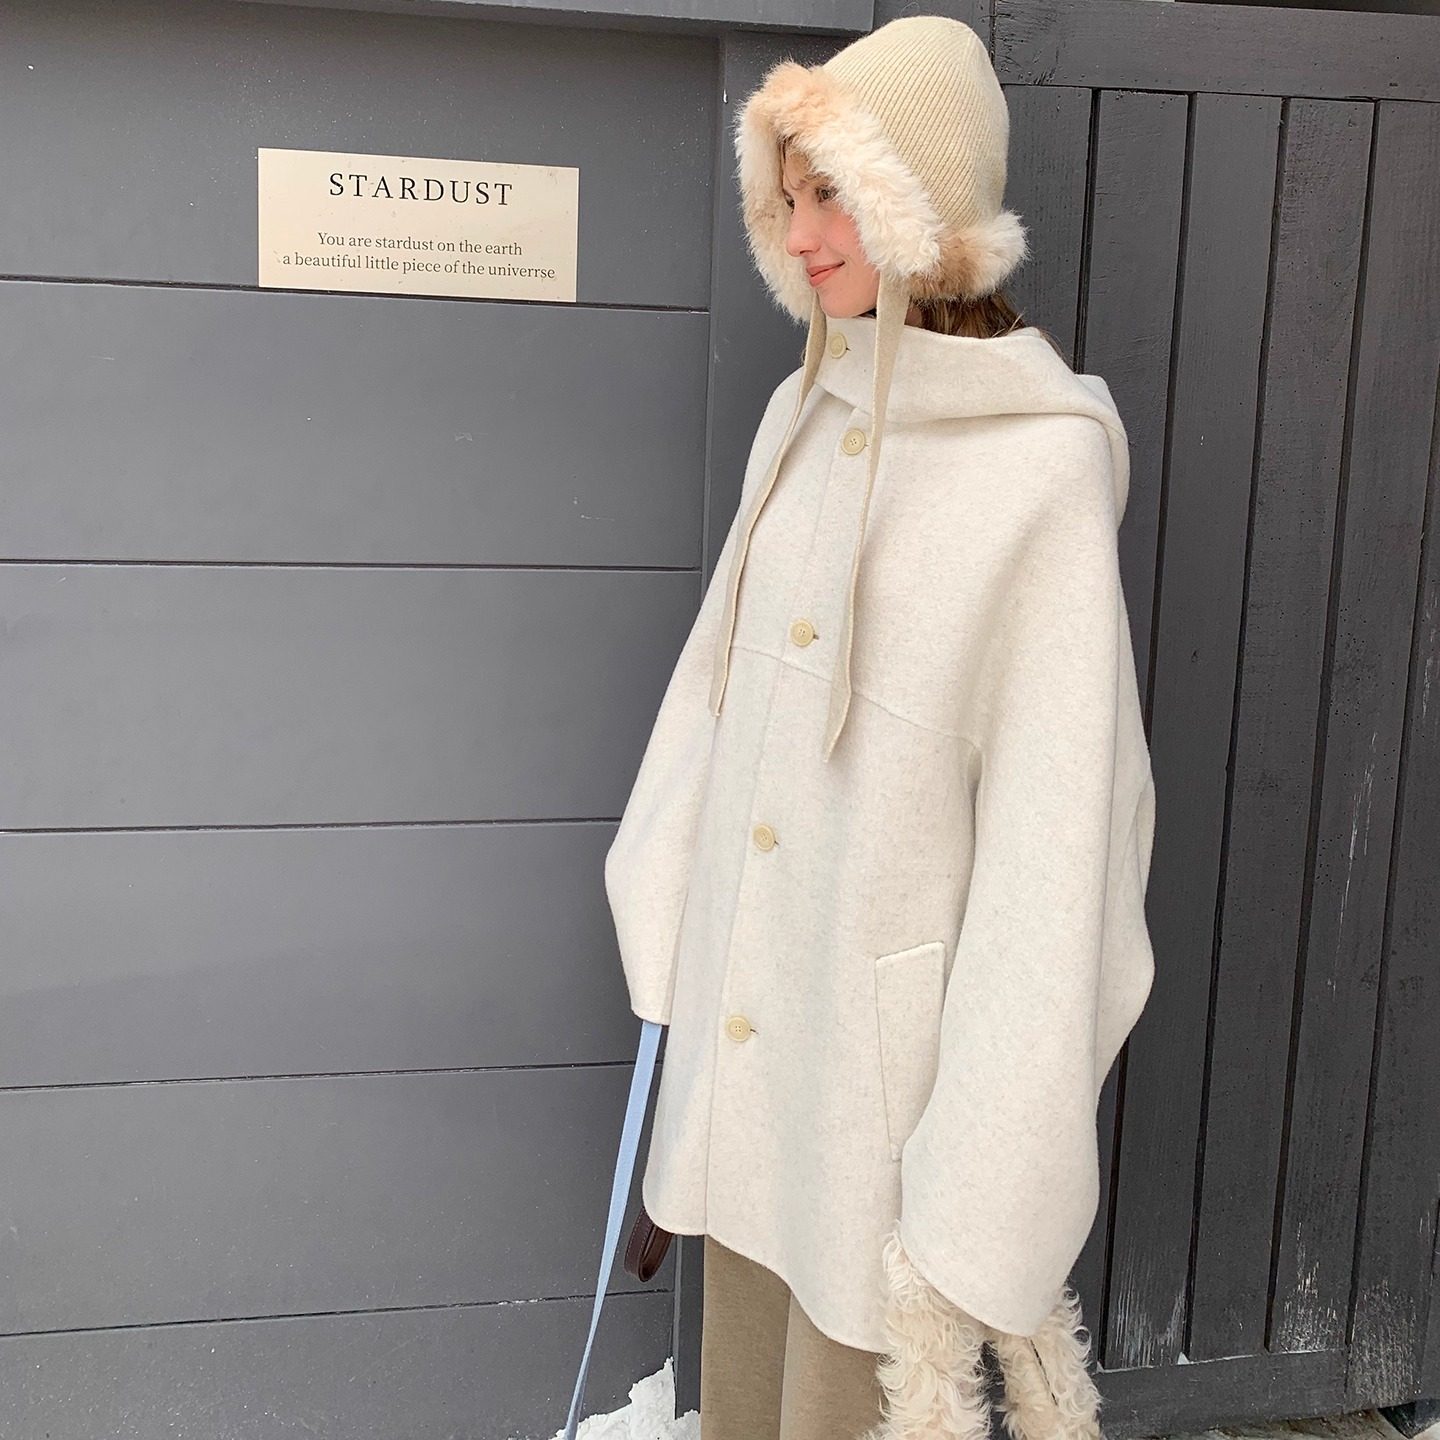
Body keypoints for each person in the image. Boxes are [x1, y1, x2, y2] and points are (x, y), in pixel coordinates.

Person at [604, 15, 1157, 1440]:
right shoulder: (798, 414)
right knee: (741, 1404)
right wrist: (666, 932)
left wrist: (986, 1168)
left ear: (923, 202)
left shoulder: (1038, 475)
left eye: (836, 193)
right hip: (755, 1061)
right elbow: (711, 704)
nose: (801, 235)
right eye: (788, 197)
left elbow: (1063, 857)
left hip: (882, 1110)